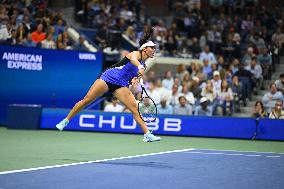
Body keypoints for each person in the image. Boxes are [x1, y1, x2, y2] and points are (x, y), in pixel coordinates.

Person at [56, 28, 160, 142]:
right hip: (108, 78)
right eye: (152, 48)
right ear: (144, 49)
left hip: (121, 85)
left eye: (155, 48)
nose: (154, 50)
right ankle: (65, 120)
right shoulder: (135, 54)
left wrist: (135, 80)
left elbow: (133, 78)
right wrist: (139, 67)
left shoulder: (143, 66)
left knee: (134, 109)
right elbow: (134, 60)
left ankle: (147, 134)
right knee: (87, 100)